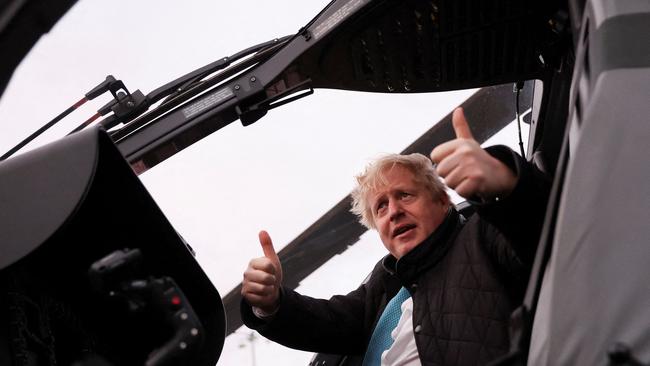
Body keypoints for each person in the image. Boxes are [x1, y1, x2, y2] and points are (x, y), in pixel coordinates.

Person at [240, 108, 550, 365]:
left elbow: (544, 241)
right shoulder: (385, 284)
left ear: (443, 200)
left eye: (405, 195)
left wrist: (510, 187)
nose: (394, 212)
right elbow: (324, 322)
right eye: (381, 207)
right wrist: (271, 303)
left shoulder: (484, 235)